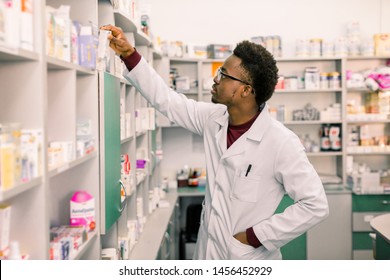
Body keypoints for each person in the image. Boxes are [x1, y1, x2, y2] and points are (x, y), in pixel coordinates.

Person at [101, 24, 329, 260]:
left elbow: (315, 204)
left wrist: (253, 237)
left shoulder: (280, 142)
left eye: (224, 75)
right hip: (208, 252)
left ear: (245, 90)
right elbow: (167, 101)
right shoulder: (214, 119)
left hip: (246, 257)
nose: (216, 79)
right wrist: (129, 54)